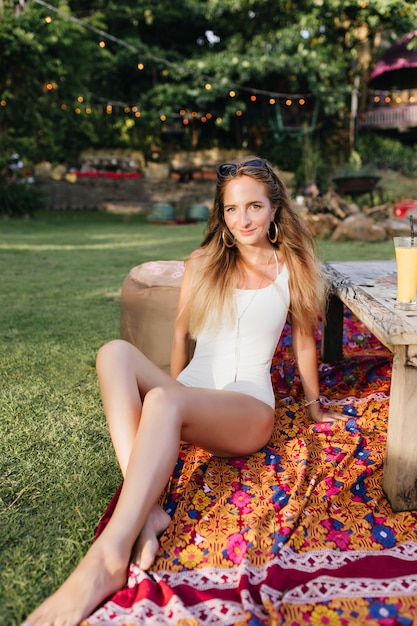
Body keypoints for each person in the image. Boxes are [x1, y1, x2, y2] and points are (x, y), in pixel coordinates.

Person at [24, 156, 346, 626]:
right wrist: (173, 398)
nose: (244, 220)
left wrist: (315, 408)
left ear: (275, 208)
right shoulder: (203, 262)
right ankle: (150, 512)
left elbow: (302, 341)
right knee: (114, 353)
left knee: (164, 399)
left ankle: (108, 558)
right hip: (193, 389)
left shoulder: (292, 265)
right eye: (233, 210)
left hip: (247, 406)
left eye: (254, 206)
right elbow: (180, 337)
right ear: (222, 213)